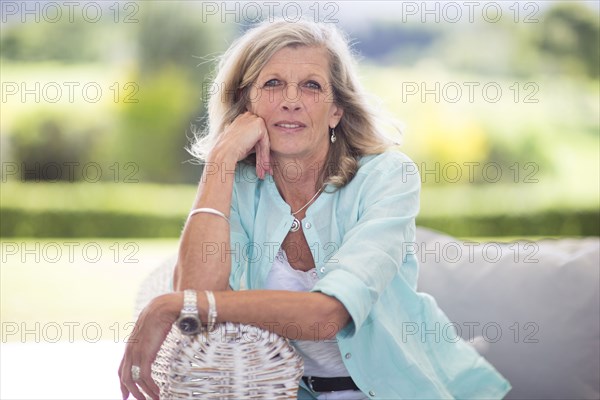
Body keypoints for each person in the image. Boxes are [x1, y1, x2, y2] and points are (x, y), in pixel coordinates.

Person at [118, 19, 511, 400]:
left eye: (311, 86)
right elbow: (198, 292)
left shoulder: (387, 177)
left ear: (336, 109)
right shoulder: (235, 185)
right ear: (245, 105)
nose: (291, 101)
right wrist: (220, 159)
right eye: (272, 84)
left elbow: (326, 316)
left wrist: (174, 305)